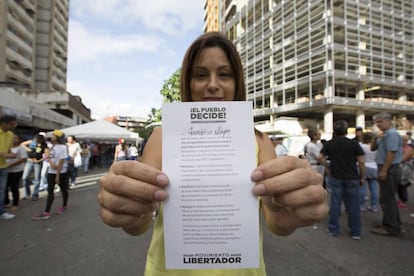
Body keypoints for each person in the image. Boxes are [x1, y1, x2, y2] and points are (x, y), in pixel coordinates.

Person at [98, 32, 328, 275]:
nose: (212, 84)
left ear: (237, 82)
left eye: (224, 74)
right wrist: (129, 211)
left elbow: (276, 221)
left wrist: (286, 211)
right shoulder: (164, 135)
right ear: (188, 82)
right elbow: (141, 219)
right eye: (200, 75)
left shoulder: (259, 140)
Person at [319, 120, 365, 240]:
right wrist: (362, 176)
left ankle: (334, 229)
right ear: (346, 130)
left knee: (335, 203)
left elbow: (320, 157)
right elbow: (361, 162)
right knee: (353, 205)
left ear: (334, 130)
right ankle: (356, 231)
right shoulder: (354, 143)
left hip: (336, 176)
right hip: (352, 177)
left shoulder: (330, 144)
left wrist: (328, 168)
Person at [370, 112, 403, 237]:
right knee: (388, 198)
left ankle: (390, 227)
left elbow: (391, 153)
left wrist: (384, 170)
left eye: (380, 122)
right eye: (376, 122)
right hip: (386, 167)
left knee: (386, 199)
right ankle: (392, 223)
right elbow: (373, 148)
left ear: (388, 121)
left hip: (390, 168)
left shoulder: (392, 134)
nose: (378, 125)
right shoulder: (383, 135)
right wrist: (375, 137)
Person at [33, 130, 69, 220]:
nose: (51, 137)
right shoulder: (51, 146)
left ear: (57, 137)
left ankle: (64, 205)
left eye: (53, 136)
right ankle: (46, 212)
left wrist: (57, 176)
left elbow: (61, 162)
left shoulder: (63, 147)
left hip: (61, 172)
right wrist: (50, 163)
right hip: (51, 171)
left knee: (63, 189)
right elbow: (48, 156)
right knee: (50, 191)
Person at [21, 133, 48, 200]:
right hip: (29, 161)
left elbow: (47, 155)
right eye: (36, 139)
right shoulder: (31, 142)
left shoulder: (44, 145)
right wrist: (28, 149)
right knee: (24, 177)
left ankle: (35, 194)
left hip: (37, 163)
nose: (36, 140)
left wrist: (39, 161)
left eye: (38, 140)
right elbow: (22, 144)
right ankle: (27, 193)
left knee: (37, 179)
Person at [0, 115, 17, 220]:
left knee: (2, 190)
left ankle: (1, 212)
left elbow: (9, 150)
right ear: (3, 123)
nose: (13, 126)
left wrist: (11, 155)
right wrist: (2, 154)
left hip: (3, 167)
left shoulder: (10, 135)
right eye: (11, 124)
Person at [5, 133, 27, 211]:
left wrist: (11, 164)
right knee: (5, 187)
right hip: (7, 170)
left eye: (16, 138)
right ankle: (6, 202)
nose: (14, 139)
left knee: (14, 187)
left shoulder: (21, 148)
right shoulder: (8, 147)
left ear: (19, 140)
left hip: (17, 170)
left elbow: (23, 159)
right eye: (13, 138)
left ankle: (15, 203)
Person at [359, 132, 379, 212]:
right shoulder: (375, 146)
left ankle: (361, 205)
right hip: (374, 166)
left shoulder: (361, 146)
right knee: (374, 187)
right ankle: (374, 206)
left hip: (364, 166)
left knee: (362, 187)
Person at [397, 134, 414, 209]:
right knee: (399, 185)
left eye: (405, 140)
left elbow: (403, 159)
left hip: (405, 169)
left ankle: (403, 200)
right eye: (403, 140)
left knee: (403, 185)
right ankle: (401, 199)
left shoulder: (409, 149)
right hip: (399, 168)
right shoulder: (398, 147)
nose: (404, 141)